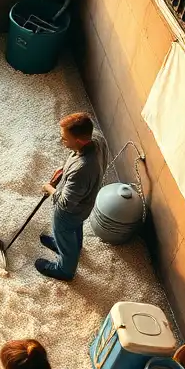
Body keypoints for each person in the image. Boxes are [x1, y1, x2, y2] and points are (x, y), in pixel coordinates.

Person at [37, 112, 105, 281]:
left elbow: (65, 203)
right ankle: (73, 246)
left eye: (65, 139)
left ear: (79, 140)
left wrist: (50, 189)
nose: (62, 142)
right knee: (75, 228)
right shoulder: (96, 138)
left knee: (63, 229)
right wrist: (64, 170)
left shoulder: (83, 169)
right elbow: (74, 158)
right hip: (84, 204)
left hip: (70, 211)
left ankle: (65, 270)